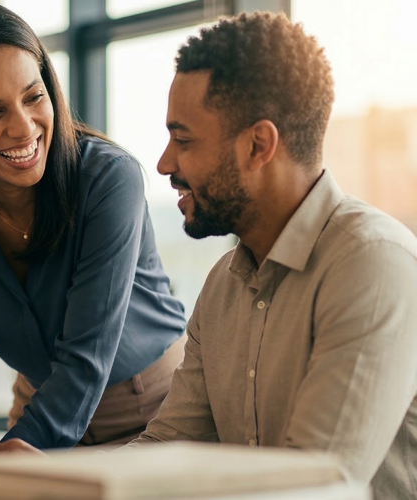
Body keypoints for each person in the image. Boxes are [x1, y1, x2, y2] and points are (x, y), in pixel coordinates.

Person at [127, 11, 417, 499]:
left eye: (184, 139)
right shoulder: (223, 285)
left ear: (259, 144)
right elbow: (165, 448)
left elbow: (317, 485)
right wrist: (45, 483)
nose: (164, 163)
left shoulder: (374, 264)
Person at [0, 1, 187, 478]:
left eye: (34, 97)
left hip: (150, 411)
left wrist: (3, 460)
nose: (24, 127)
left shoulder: (108, 180)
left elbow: (85, 360)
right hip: (40, 410)